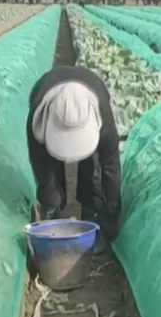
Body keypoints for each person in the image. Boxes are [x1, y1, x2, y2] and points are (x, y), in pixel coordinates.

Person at [26, 65, 121, 254]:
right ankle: (55, 211)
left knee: (92, 165)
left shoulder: (101, 111)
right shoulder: (38, 114)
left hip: (92, 87)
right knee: (51, 168)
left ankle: (91, 212)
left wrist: (111, 211)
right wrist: (50, 197)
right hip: (46, 92)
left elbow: (110, 164)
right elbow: (41, 164)